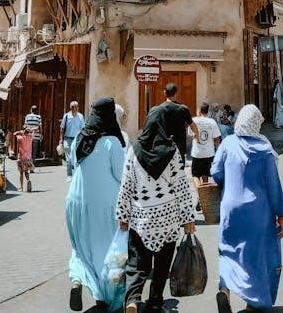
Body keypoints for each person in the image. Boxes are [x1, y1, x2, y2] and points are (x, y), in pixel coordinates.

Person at [211, 104, 283, 312]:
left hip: (230, 209)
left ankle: (224, 290)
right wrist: (281, 215)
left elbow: (216, 172)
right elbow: (273, 185)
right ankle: (253, 303)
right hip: (257, 212)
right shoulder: (264, 149)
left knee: (228, 252)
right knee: (255, 256)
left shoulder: (228, 143)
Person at [117, 106, 195, 313]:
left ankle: (133, 299)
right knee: (162, 264)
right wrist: (188, 218)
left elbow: (126, 185)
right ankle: (155, 302)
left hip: (140, 218)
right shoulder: (172, 151)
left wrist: (123, 215)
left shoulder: (134, 150)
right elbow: (182, 187)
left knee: (137, 263)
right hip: (167, 219)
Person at [65, 97, 126, 312]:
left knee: (81, 248)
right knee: (106, 250)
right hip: (104, 205)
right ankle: (105, 297)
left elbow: (73, 165)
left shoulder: (80, 138)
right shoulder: (112, 142)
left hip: (76, 201)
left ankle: (77, 279)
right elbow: (122, 176)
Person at [152, 83, 199, 162]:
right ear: (176, 93)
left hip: (164, 148)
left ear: (164, 93)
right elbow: (192, 125)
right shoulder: (183, 109)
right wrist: (197, 136)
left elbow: (153, 128)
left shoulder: (159, 109)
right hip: (179, 149)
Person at [190, 102, 221, 208]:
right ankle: (205, 197)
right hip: (209, 153)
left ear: (199, 111)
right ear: (208, 111)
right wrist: (219, 152)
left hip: (197, 153)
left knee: (195, 175)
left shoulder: (194, 120)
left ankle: (200, 197)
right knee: (205, 175)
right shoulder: (212, 122)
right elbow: (216, 139)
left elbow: (192, 134)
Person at [60, 101, 85, 181]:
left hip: (77, 139)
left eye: (76, 106)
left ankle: (76, 174)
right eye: (73, 107)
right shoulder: (66, 116)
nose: (75, 108)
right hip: (67, 139)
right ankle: (69, 175)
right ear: (70, 108)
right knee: (69, 158)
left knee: (76, 157)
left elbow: (82, 128)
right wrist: (61, 139)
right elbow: (62, 128)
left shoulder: (80, 116)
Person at [14, 127, 34, 192]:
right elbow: (33, 132)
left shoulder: (20, 138)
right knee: (26, 171)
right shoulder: (30, 137)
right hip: (28, 157)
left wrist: (20, 131)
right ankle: (28, 180)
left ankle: (21, 187)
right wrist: (31, 130)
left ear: (24, 132)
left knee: (21, 173)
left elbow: (14, 134)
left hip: (21, 157)